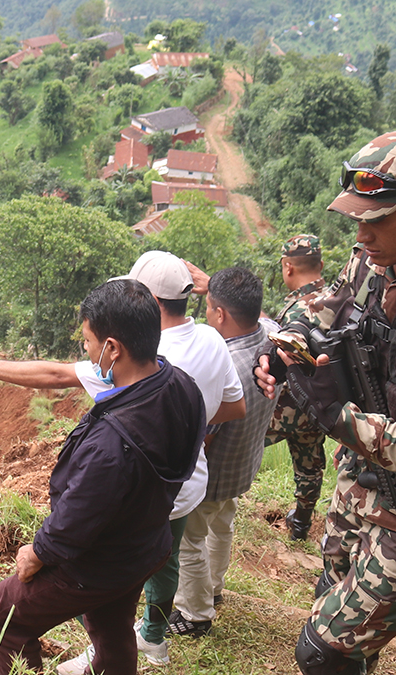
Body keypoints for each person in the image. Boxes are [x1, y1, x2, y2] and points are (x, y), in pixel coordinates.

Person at [0, 252, 243, 671]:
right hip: (147, 545)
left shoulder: (110, 443)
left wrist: (36, 552)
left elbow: (75, 520)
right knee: (113, 626)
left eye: (88, 341)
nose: (86, 348)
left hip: (100, 561)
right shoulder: (182, 385)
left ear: (113, 348)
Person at [255, 130, 396, 674]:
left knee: (323, 651)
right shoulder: (371, 262)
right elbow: (330, 305)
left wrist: (339, 418)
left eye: (377, 219)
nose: (361, 233)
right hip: (361, 481)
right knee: (331, 589)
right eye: (357, 218)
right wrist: (280, 348)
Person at [167, 267, 278, 638]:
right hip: (242, 464)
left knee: (190, 542)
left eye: (209, 306)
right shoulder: (268, 343)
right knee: (222, 527)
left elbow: (206, 435)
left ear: (220, 315)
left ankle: (194, 613)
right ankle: (214, 589)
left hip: (212, 472)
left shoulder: (225, 362)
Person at [265, 235, 328, 540]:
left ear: (287, 268)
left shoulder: (296, 311)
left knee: (240, 439)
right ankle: (301, 522)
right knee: (309, 461)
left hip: (285, 406)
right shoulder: (337, 299)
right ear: (322, 264)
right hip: (319, 404)